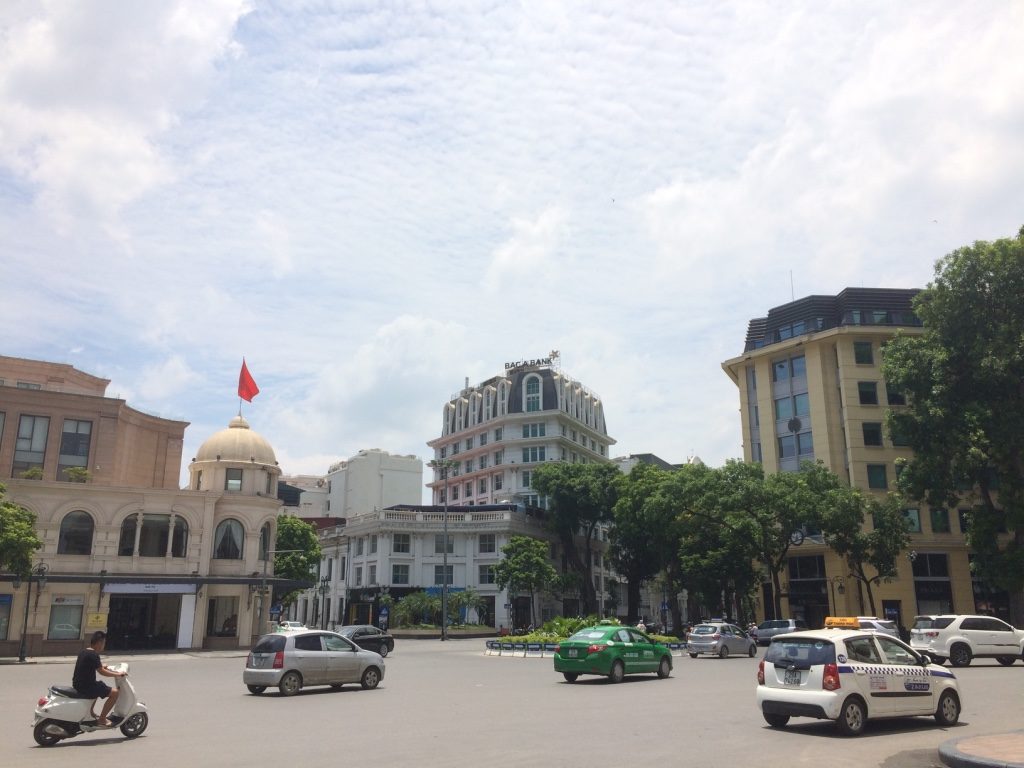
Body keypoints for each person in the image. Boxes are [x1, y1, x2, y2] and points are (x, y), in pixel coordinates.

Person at [72, 630, 125, 726]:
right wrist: (117, 674)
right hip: (87, 686)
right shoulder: (94, 655)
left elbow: (93, 666)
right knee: (115, 693)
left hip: (78, 684)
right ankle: (102, 719)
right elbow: (102, 672)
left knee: (99, 685)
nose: (104, 645)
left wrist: (102, 666)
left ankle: (90, 713)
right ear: (99, 643)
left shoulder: (84, 652)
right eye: (104, 643)